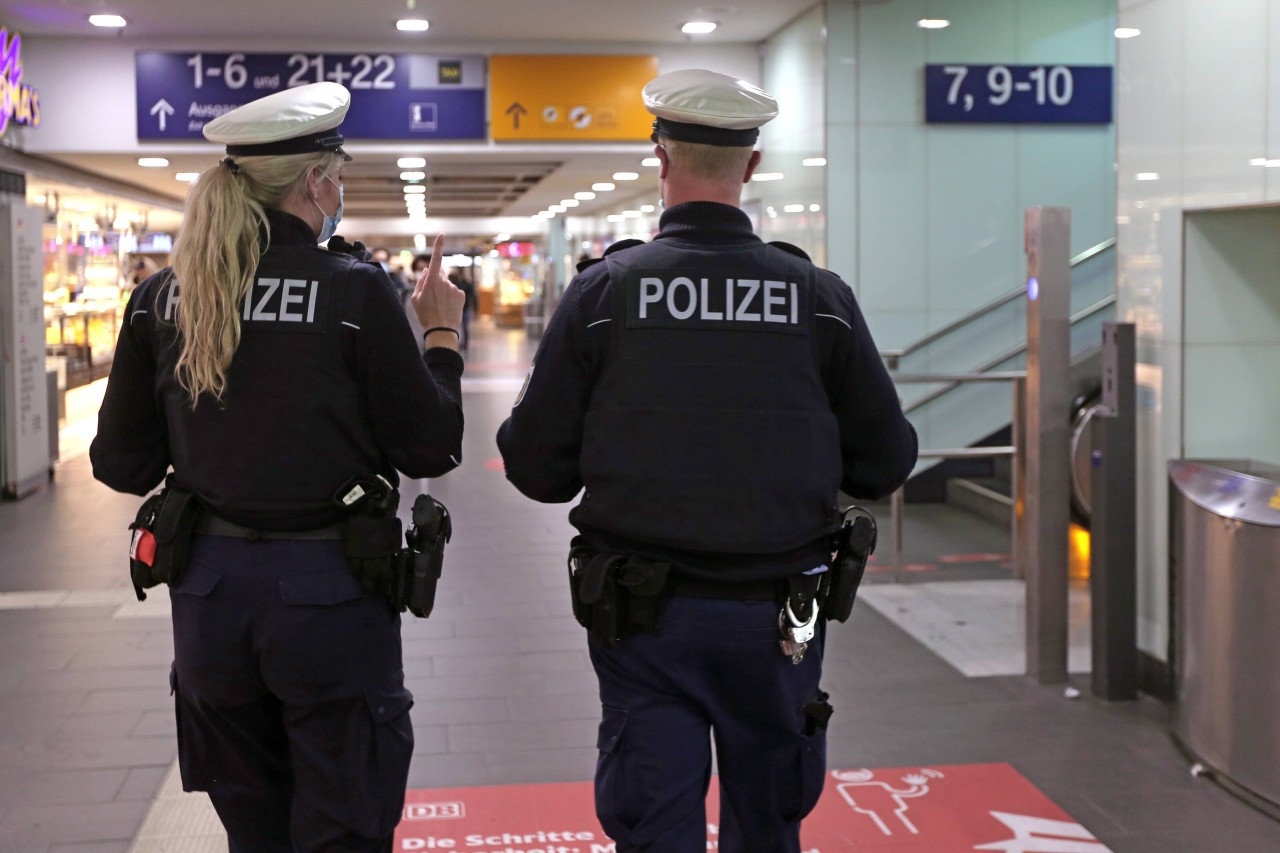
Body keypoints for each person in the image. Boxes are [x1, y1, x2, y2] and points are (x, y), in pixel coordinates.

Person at [496, 69, 917, 853]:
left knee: (654, 824)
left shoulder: (604, 295)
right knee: (770, 822)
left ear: (661, 156)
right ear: (750, 166)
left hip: (643, 611)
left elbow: (535, 467)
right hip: (784, 611)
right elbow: (886, 459)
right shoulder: (817, 297)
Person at [89, 82, 466, 852]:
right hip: (331, 596)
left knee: (252, 825)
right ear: (313, 182)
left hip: (209, 602)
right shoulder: (355, 292)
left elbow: (121, 463)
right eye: (338, 174)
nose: (340, 189)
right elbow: (430, 447)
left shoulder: (164, 299)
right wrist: (441, 339)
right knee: (345, 820)